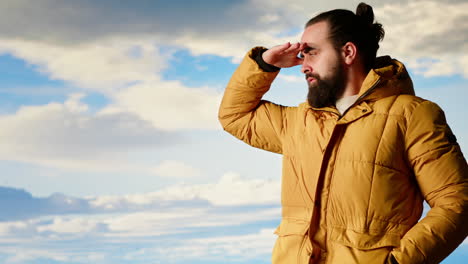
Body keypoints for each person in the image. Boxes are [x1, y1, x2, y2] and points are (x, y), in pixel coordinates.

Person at [218, 2, 468, 264]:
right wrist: (264, 64)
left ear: (348, 52)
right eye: (302, 55)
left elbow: (456, 202)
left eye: (311, 52)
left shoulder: (411, 115)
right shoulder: (298, 122)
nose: (303, 65)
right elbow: (235, 115)